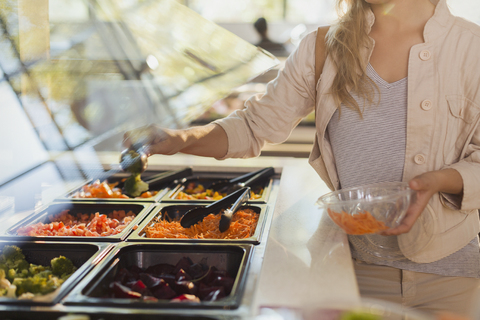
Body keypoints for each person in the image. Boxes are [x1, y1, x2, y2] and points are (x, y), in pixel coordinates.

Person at [124, 0, 480, 316]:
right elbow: (252, 126)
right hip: (350, 271)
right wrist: (178, 139)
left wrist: (439, 181)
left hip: (449, 277)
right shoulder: (323, 47)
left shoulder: (472, 48)